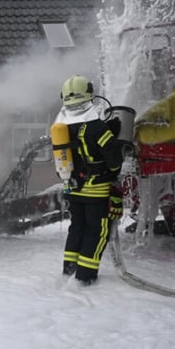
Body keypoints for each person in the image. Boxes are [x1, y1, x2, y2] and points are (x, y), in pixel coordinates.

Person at [55, 75, 124, 285]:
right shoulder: (96, 127)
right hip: (96, 191)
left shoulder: (61, 128)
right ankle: (84, 278)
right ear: (90, 95)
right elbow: (113, 160)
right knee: (97, 230)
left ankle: (69, 271)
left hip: (72, 188)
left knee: (77, 227)